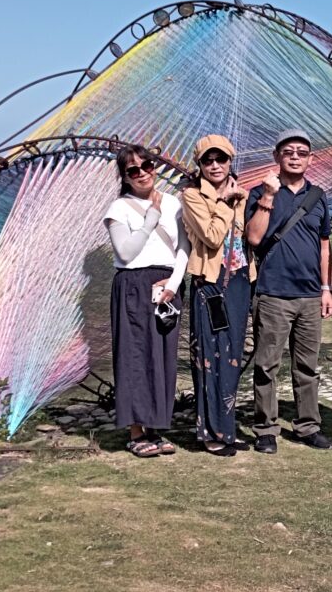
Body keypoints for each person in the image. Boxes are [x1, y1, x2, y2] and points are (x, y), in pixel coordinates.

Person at [245, 128, 332, 454]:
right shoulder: (259, 192)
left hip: (310, 296)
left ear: (310, 158)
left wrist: (326, 288)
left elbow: (325, 246)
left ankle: (307, 426)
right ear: (277, 157)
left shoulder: (318, 196)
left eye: (301, 152)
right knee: (267, 365)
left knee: (307, 366)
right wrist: (269, 197)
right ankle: (265, 429)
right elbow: (254, 239)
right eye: (288, 152)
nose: (295, 156)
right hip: (273, 294)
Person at [103, 145, 190, 457]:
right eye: (133, 170)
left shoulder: (173, 203)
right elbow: (126, 252)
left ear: (154, 167)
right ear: (125, 177)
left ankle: (156, 427)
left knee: (162, 356)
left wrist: (175, 283)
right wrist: (151, 217)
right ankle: (136, 431)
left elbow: (183, 247)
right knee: (134, 355)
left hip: (167, 285)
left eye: (147, 165)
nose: (142, 173)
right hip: (133, 285)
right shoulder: (119, 208)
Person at [181, 134, 252, 457]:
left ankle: (227, 428)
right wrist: (225, 203)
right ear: (199, 166)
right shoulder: (192, 196)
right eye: (207, 161)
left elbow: (246, 239)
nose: (214, 166)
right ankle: (209, 432)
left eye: (220, 159)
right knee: (210, 358)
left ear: (229, 161)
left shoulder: (241, 194)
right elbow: (211, 237)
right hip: (209, 285)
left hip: (237, 281)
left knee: (233, 357)